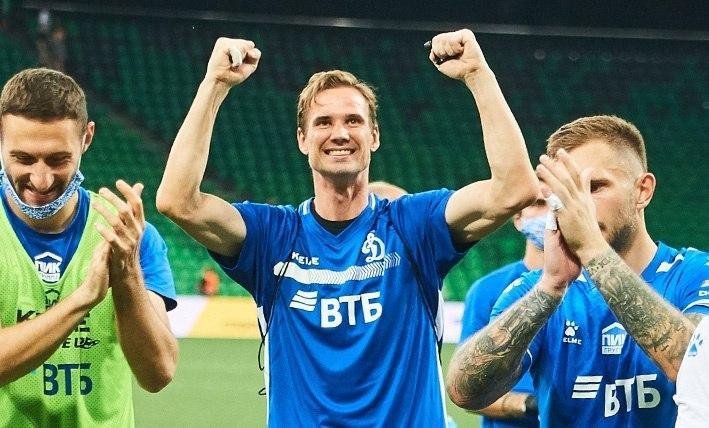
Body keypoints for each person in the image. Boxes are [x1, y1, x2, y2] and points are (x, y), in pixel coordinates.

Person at [157, 29, 537, 426]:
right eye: (323, 122)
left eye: (353, 120)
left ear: (374, 136)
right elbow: (177, 201)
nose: (339, 133)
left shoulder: (413, 226)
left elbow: (514, 189)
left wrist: (477, 74)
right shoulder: (272, 236)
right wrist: (215, 84)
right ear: (303, 139)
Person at [446, 115, 708, 427]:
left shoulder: (695, 273)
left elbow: (693, 367)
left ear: (643, 191)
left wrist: (593, 250)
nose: (579, 206)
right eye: (566, 194)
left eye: (595, 187)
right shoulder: (537, 288)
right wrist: (551, 287)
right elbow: (465, 392)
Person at [0, 68, 178, 426]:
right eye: (24, 159)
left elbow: (158, 373)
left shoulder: (130, 235)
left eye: (58, 160)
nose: (41, 179)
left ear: (87, 138)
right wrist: (83, 299)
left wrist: (127, 274)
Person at [459, 195, 547, 428]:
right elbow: (466, 390)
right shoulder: (486, 291)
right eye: (539, 204)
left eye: (558, 204)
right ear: (518, 218)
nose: (550, 214)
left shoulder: (595, 289)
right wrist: (529, 404)